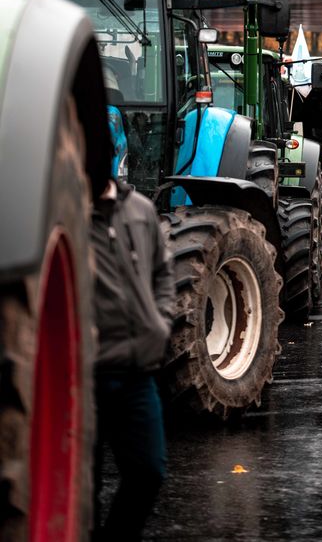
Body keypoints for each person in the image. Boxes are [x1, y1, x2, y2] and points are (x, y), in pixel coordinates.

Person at [91, 175, 175, 541]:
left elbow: (163, 272)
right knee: (83, 487)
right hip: (83, 374)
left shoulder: (140, 209)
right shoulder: (60, 207)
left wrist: (161, 323)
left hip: (136, 369)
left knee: (148, 472)